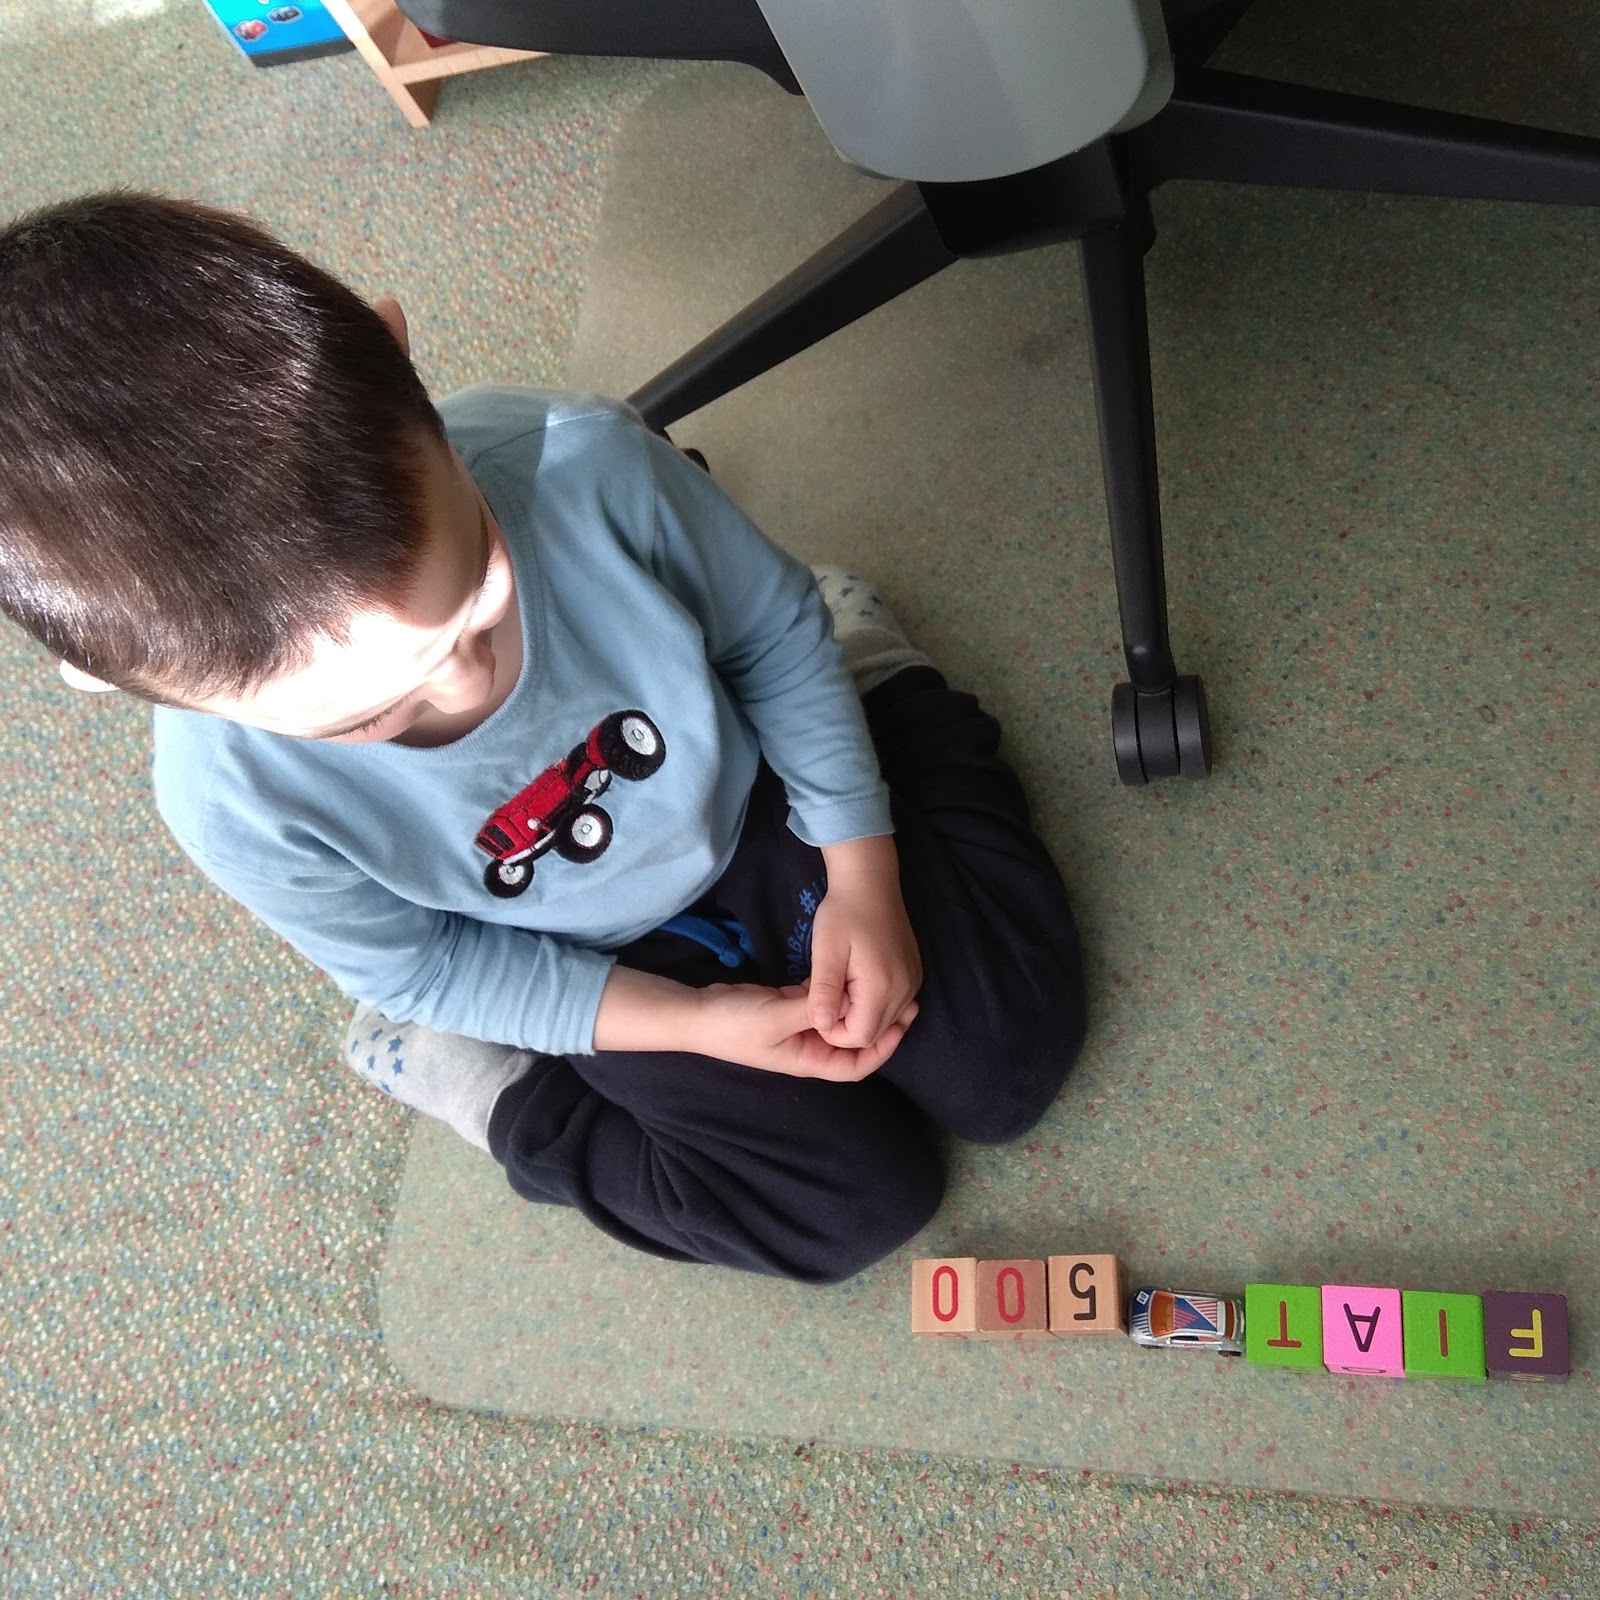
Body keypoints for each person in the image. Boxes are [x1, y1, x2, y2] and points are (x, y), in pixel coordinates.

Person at [0, 191, 1087, 1282]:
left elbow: (768, 635)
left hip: (749, 791)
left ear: (398, 354)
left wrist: (863, 866)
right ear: (112, 680)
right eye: (368, 716)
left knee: (1008, 1075)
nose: (470, 682)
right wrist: (688, 1025)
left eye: (479, 592)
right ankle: (495, 1087)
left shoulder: (584, 462)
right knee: (853, 1214)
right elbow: (427, 964)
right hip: (580, 959)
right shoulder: (229, 803)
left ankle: (873, 670)